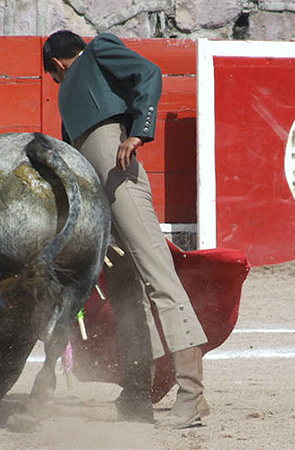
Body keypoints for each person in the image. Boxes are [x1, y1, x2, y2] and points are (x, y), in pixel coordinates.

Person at [42, 30, 210, 428]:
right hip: (99, 184)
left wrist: (138, 131)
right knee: (125, 289)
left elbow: (149, 73)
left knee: (158, 275)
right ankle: (138, 393)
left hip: (117, 172)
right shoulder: (77, 84)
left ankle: (193, 395)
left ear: (57, 64)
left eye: (53, 75)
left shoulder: (96, 50)